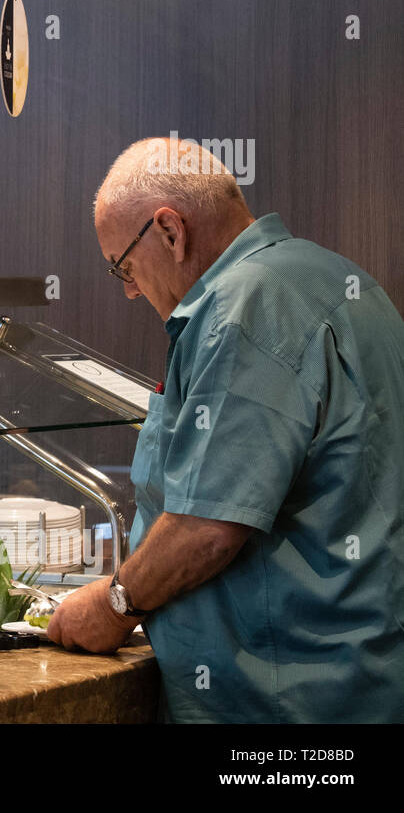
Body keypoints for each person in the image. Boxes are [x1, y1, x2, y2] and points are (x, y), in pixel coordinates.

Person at [47, 136, 404, 722]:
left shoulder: (248, 305)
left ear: (170, 231)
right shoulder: (337, 278)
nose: (131, 288)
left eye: (122, 266)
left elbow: (207, 527)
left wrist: (114, 605)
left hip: (283, 709)